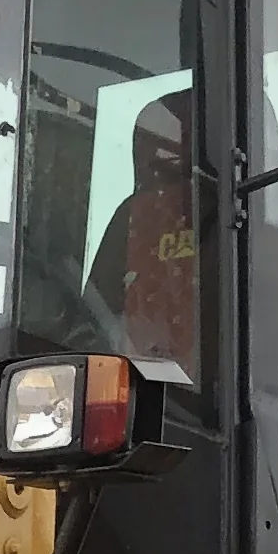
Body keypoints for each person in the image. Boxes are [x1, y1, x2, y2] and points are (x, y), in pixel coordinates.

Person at [84, 88, 204, 371]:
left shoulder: (234, 212)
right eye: (151, 143)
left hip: (201, 393)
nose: (161, 152)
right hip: (134, 382)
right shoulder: (133, 215)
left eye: (170, 142)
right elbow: (95, 306)